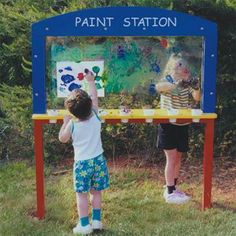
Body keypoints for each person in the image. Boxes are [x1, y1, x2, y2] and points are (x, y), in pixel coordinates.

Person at [59, 70, 109, 234]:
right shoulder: (95, 116)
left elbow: (63, 138)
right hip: (98, 161)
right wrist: (91, 81)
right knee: (96, 192)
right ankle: (96, 222)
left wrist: (65, 123)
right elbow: (94, 98)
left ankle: (84, 225)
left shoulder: (73, 124)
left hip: (82, 164)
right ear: (89, 106)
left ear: (72, 112)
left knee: (81, 195)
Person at [150, 53, 201, 204]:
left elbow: (197, 97)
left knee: (178, 158)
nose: (182, 67)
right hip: (168, 125)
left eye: (183, 65)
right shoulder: (166, 81)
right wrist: (179, 82)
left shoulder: (188, 82)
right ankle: (170, 191)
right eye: (178, 65)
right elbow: (159, 88)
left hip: (182, 124)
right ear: (171, 67)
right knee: (171, 158)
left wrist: (195, 86)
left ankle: (173, 186)